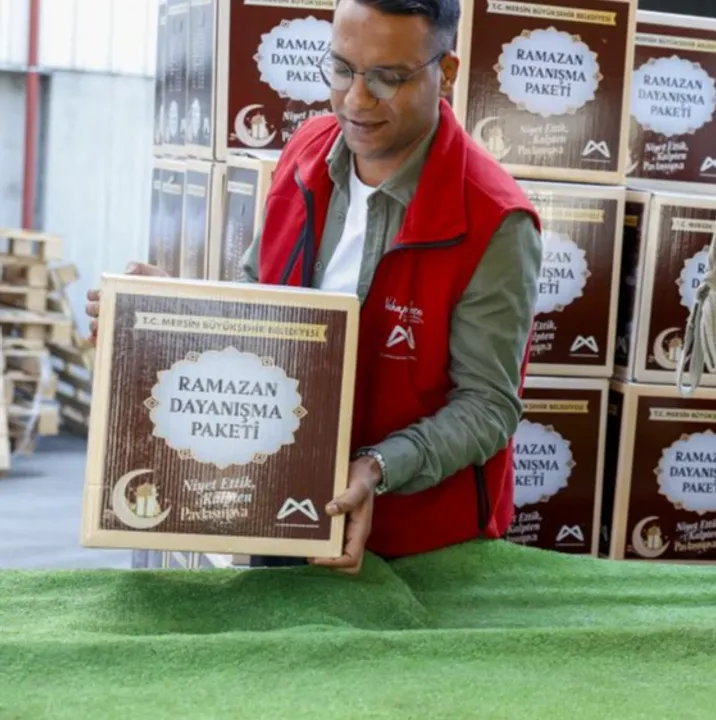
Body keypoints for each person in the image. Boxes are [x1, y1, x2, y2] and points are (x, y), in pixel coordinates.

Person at [85, 0, 543, 574]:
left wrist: (376, 468)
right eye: (342, 69)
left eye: (387, 78)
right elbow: (261, 297)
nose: (356, 100)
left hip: (416, 544)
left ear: (445, 73)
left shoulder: (495, 221)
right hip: (278, 504)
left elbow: (488, 406)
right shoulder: (307, 151)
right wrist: (174, 311)